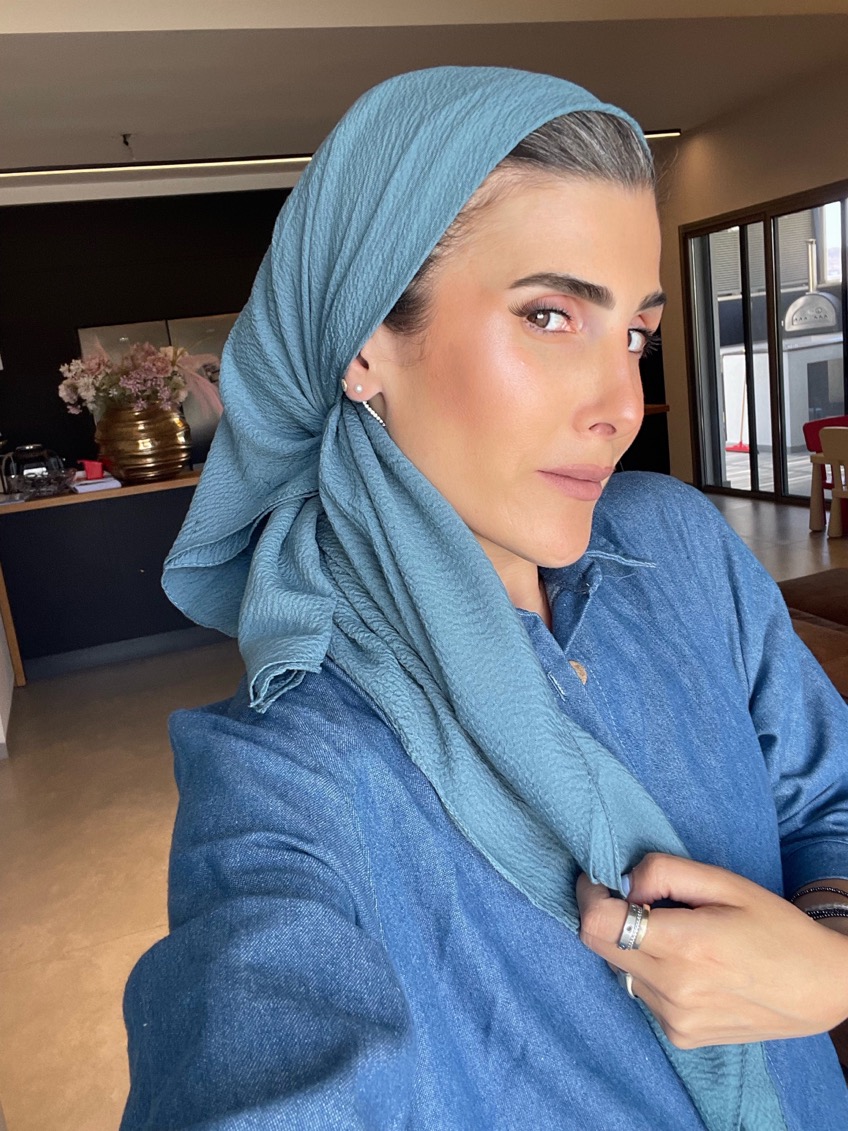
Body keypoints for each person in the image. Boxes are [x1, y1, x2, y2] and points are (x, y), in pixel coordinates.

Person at [120, 67, 848, 1130]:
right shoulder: (290, 773)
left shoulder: (681, 546)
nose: (623, 404)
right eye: (550, 315)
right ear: (364, 346)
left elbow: (827, 803)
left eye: (635, 335)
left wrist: (830, 959)